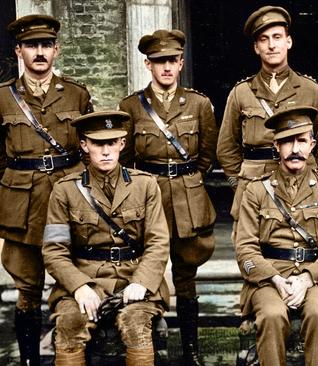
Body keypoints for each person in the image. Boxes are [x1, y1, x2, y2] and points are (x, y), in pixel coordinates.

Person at [0, 14, 93, 365]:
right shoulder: (1, 99)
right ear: (19, 51)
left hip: (67, 198)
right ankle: (30, 359)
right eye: (32, 46)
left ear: (57, 50)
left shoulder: (76, 93)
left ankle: (76, 354)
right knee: (27, 289)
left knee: (77, 278)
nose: (39, 52)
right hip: (22, 207)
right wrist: (16, 181)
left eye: (46, 45)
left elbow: (87, 145)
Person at [119, 29, 217, 365]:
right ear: (148, 64)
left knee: (187, 278)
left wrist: (187, 182)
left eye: (172, 61)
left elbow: (206, 156)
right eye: (159, 61)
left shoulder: (199, 104)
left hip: (188, 201)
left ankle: (191, 350)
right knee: (149, 273)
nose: (166, 68)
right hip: (149, 199)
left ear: (180, 63)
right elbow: (126, 159)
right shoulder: (131, 106)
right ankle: (150, 345)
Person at [42, 111, 170, 365]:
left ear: (122, 144)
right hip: (86, 279)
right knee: (69, 324)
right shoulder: (65, 189)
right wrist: (79, 286)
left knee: (135, 324)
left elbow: (158, 241)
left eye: (112, 143)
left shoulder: (145, 185)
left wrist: (141, 282)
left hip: (133, 279)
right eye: (98, 143)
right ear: (84, 144)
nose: (105, 151)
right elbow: (54, 250)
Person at [234, 106, 318, 366]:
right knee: (272, 315)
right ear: (276, 146)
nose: (294, 149)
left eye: (301, 141)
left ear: (312, 145)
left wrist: (307, 279)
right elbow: (245, 248)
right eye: (287, 141)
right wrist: (275, 278)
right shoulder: (256, 191)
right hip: (269, 277)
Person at [217, 5, 318, 226]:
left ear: (288, 42)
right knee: (252, 249)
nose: (271, 45)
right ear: (256, 47)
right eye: (264, 39)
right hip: (254, 185)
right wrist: (241, 181)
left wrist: (315, 178)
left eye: (277, 37)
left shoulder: (310, 90)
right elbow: (225, 147)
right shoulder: (241, 92)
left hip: (301, 183)